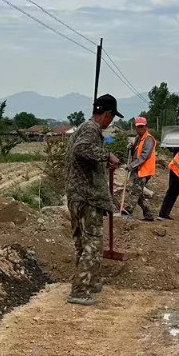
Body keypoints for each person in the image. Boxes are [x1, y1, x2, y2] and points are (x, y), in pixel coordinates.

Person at [64, 93, 120, 305]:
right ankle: (79, 290)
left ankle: (90, 281)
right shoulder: (90, 129)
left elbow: (84, 154)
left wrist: (102, 157)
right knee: (93, 244)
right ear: (107, 114)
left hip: (77, 194)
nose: (111, 122)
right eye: (112, 118)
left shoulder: (83, 127)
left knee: (82, 242)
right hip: (87, 197)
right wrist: (107, 156)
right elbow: (82, 149)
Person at [121, 116, 157, 221]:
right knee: (139, 193)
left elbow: (144, 156)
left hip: (144, 171)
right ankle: (148, 215)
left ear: (146, 126)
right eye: (138, 127)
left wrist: (131, 165)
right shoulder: (138, 138)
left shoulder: (149, 139)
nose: (140, 129)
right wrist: (131, 147)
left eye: (142, 126)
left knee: (135, 191)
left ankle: (127, 211)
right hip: (137, 169)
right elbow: (135, 152)